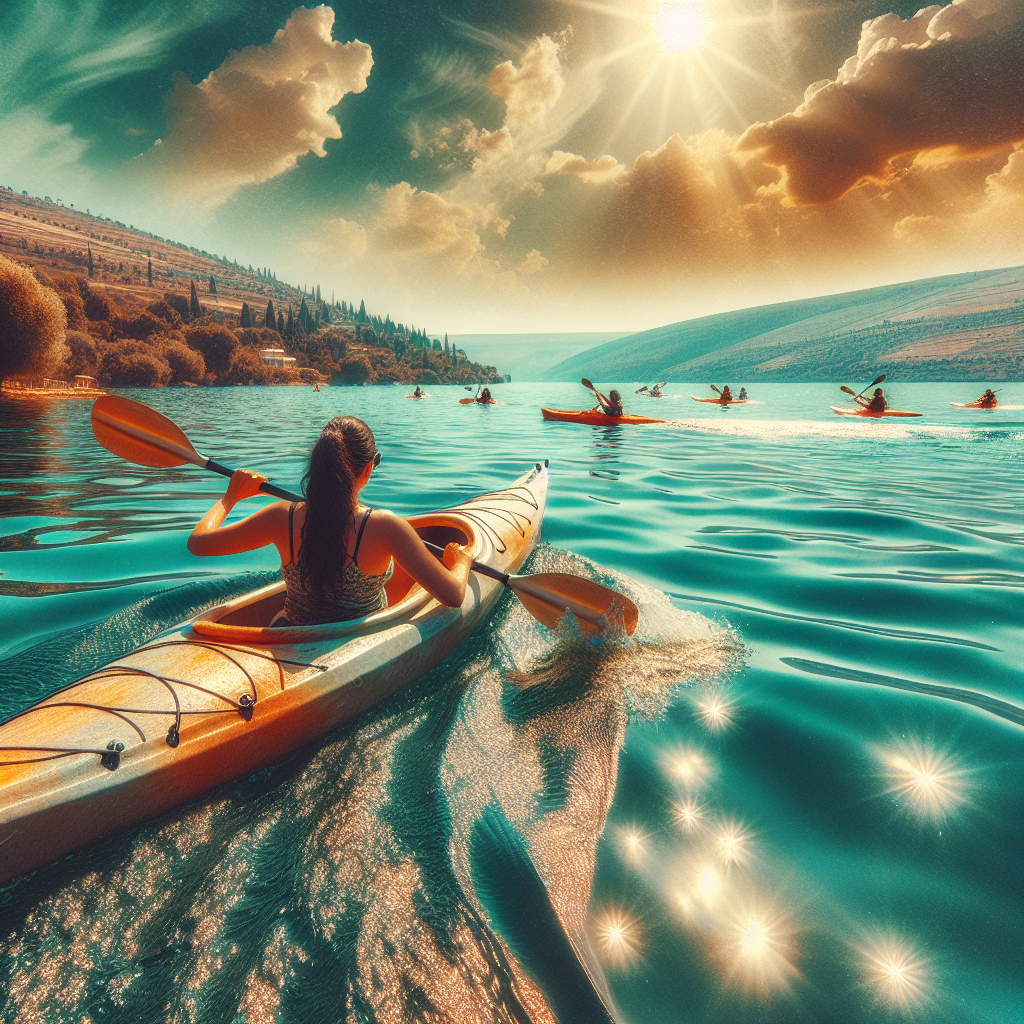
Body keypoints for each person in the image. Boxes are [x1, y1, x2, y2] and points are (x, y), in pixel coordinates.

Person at [187, 416, 473, 626]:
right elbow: (453, 595)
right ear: (368, 469)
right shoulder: (385, 527)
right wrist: (461, 562)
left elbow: (198, 544)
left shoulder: (280, 516)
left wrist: (231, 497)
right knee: (406, 572)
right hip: (353, 646)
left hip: (289, 632)